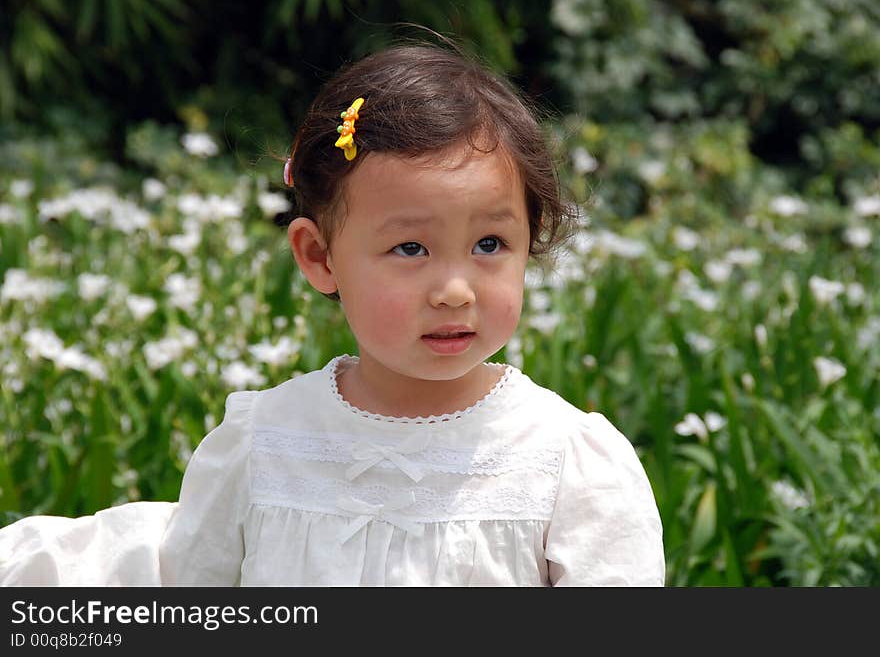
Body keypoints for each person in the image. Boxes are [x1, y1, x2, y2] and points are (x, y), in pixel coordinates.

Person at [1, 43, 664, 587]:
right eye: (411, 247)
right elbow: (178, 585)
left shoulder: (565, 462)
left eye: (490, 244)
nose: (456, 288)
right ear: (319, 256)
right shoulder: (265, 444)